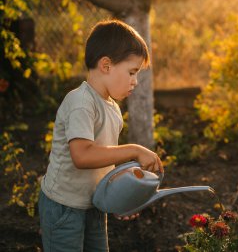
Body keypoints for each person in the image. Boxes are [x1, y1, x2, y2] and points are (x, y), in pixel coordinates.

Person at [38, 19, 163, 252]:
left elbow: (104, 162)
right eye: (132, 72)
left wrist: (119, 197)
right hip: (64, 207)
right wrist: (134, 149)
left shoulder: (113, 108)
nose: (135, 81)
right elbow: (82, 156)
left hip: (93, 205)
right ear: (106, 65)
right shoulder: (81, 102)